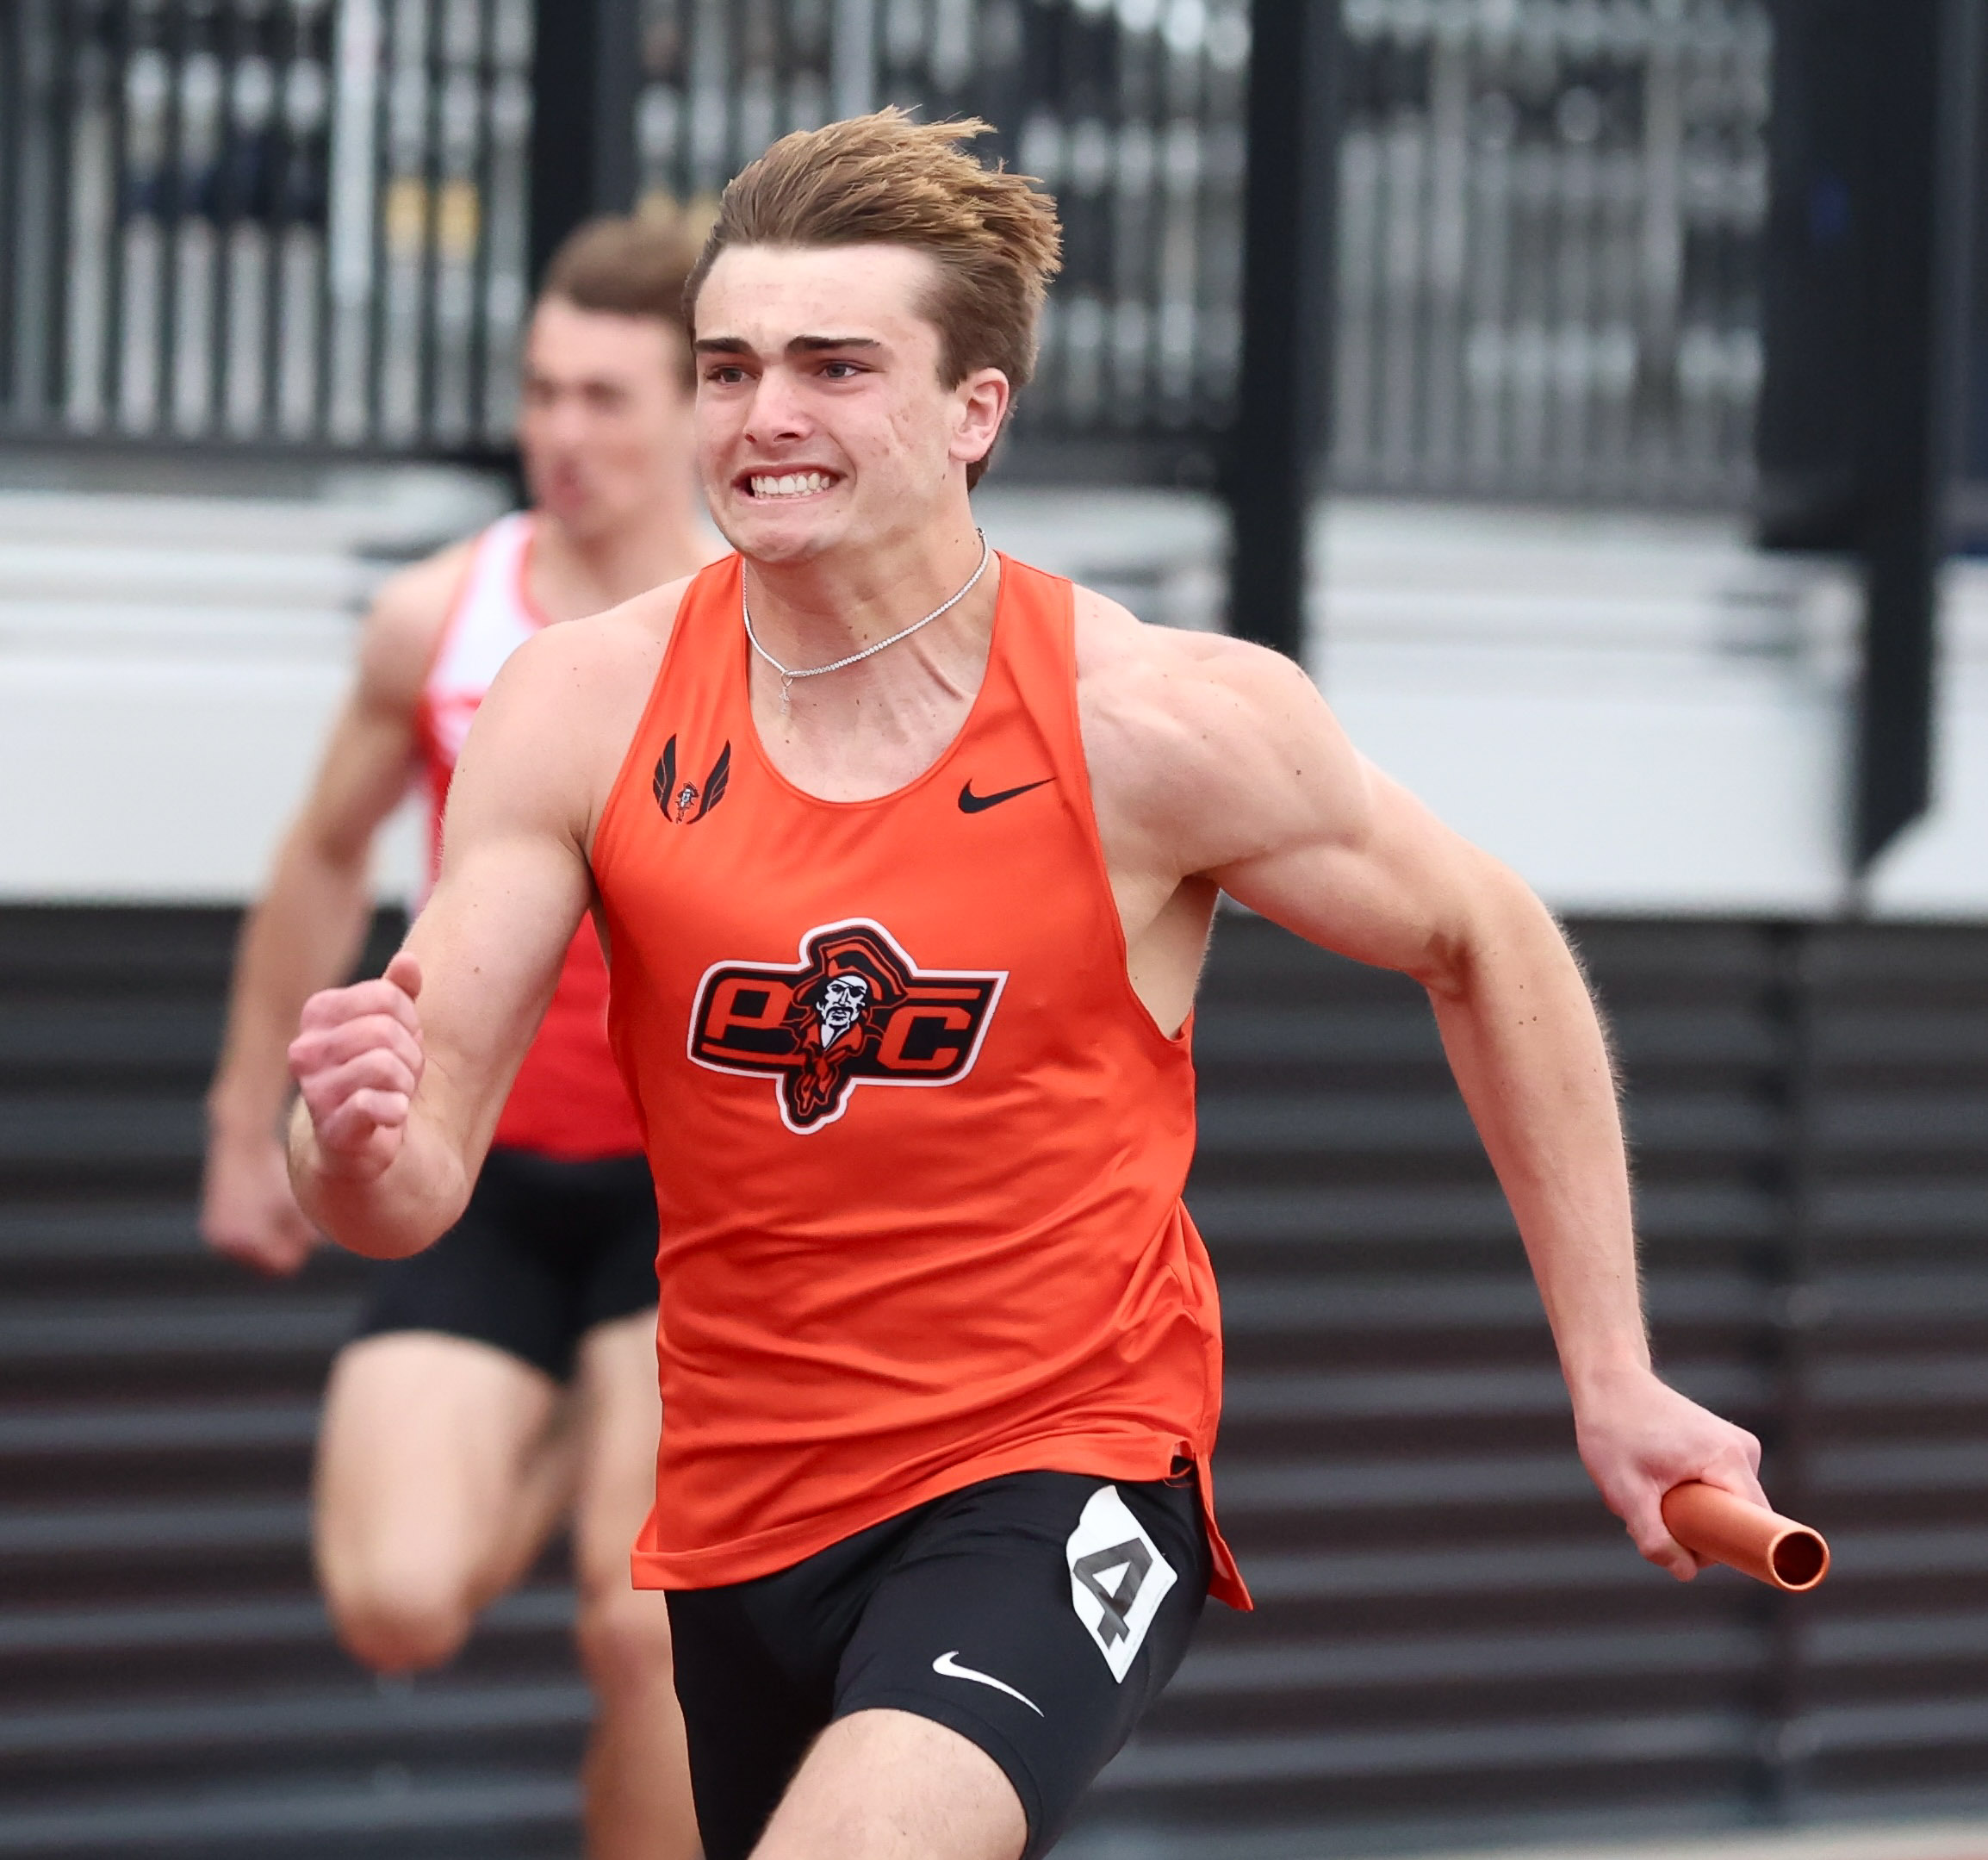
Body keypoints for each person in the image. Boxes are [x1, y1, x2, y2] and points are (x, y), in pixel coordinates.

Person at [282, 112, 1769, 1860]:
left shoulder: (1151, 720)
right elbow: (403, 1191)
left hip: (1061, 1467)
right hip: (745, 1505)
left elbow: (1484, 939)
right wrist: (345, 1135)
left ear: (973, 411)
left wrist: (1612, 1371)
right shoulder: (578, 706)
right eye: (730, 368)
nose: (763, 415)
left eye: (835, 367)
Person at [201, 210, 712, 1860]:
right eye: (542, 392)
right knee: (398, 1601)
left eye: (606, 398)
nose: (563, 432)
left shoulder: (751, 628)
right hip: (475, 1162)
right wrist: (246, 1127)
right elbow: (321, 853)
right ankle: (570, 1425)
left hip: (691, 1194)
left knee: (642, 1634)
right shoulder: (442, 614)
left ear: (694, 408)